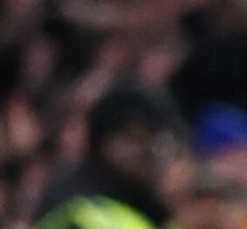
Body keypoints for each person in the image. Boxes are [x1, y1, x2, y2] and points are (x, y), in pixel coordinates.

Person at [34, 87, 188, 229]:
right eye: (135, 138)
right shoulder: (78, 211)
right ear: (105, 143)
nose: (149, 152)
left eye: (157, 141)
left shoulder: (155, 210)